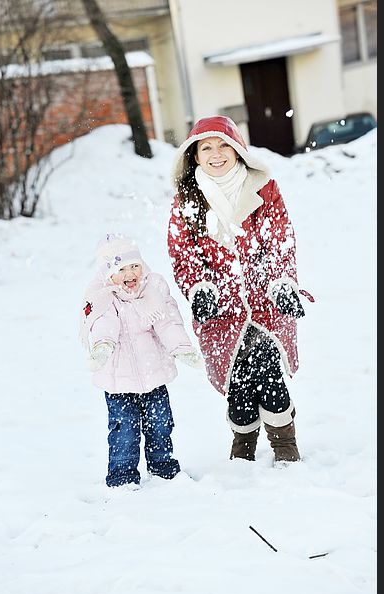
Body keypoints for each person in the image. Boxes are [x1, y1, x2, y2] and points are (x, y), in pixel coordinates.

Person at [167, 116, 313, 466]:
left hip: (265, 304)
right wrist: (199, 288)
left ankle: (284, 444)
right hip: (219, 312)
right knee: (238, 384)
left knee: (269, 374)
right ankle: (243, 443)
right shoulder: (186, 201)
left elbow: (281, 240)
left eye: (223, 145)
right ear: (194, 156)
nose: (216, 154)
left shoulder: (264, 189)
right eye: (206, 148)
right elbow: (182, 253)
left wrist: (281, 283)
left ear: (237, 150)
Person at [80, 233, 203, 488]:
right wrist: (102, 346)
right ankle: (122, 477)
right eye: (121, 268)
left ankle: (163, 469)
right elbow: (104, 324)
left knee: (161, 423)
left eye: (134, 265)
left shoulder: (153, 290)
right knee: (124, 431)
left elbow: (168, 321)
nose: (130, 273)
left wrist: (181, 348)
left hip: (154, 375)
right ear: (108, 274)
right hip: (118, 382)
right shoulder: (104, 297)